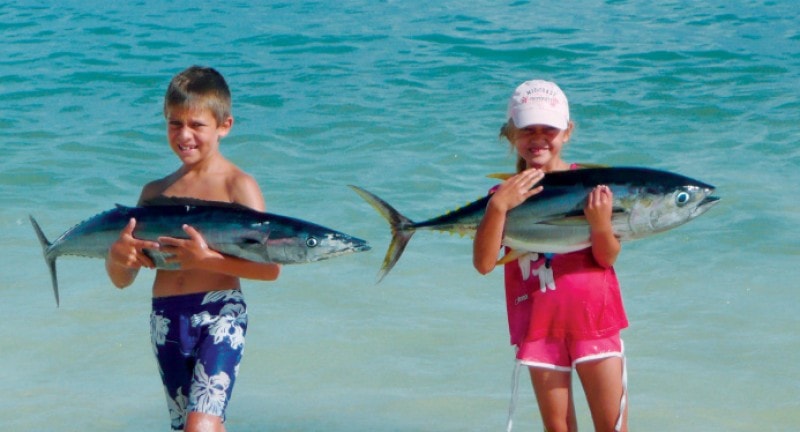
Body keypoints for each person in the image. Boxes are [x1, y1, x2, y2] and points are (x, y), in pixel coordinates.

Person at [105, 65, 281, 432]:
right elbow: (123, 279)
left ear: (224, 126)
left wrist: (208, 260)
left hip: (221, 314)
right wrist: (116, 257)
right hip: (165, 319)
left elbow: (270, 269)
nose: (184, 134)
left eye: (197, 125)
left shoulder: (238, 185)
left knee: (199, 427)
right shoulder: (154, 193)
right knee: (198, 425)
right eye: (174, 123)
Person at [473, 80, 629, 432]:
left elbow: (606, 259)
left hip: (596, 320)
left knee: (612, 427)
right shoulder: (501, 195)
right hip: (538, 327)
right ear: (511, 133)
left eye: (549, 129)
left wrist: (601, 224)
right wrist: (497, 208)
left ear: (567, 131)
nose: (538, 137)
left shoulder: (594, 186)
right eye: (528, 129)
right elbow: (483, 264)